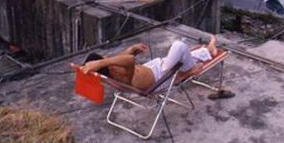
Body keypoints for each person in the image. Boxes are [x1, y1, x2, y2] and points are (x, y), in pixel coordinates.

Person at [81, 36, 218, 90]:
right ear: (108, 67)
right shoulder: (122, 78)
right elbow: (129, 60)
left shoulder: (113, 71)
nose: (107, 58)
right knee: (179, 46)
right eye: (105, 59)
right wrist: (186, 74)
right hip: (164, 75)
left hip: (158, 66)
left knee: (183, 54)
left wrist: (132, 49)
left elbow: (123, 57)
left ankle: (208, 50)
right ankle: (198, 61)